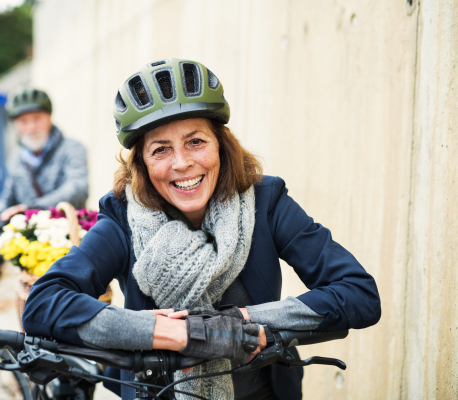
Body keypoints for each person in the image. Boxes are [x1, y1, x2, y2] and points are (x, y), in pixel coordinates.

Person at [22, 59, 381, 400]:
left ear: (221, 146)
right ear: (142, 165)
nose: (182, 163)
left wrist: (240, 322)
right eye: (161, 149)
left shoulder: (266, 202)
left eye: (196, 141)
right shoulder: (121, 219)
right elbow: (43, 303)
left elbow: (358, 294)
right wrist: (171, 332)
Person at [0, 87, 88, 225]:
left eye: (37, 119)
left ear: (49, 117)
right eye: (23, 121)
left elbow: (78, 188)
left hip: (69, 233)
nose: (31, 127)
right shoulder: (15, 158)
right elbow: (6, 201)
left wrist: (32, 208)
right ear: (16, 125)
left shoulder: (71, 148)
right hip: (27, 237)